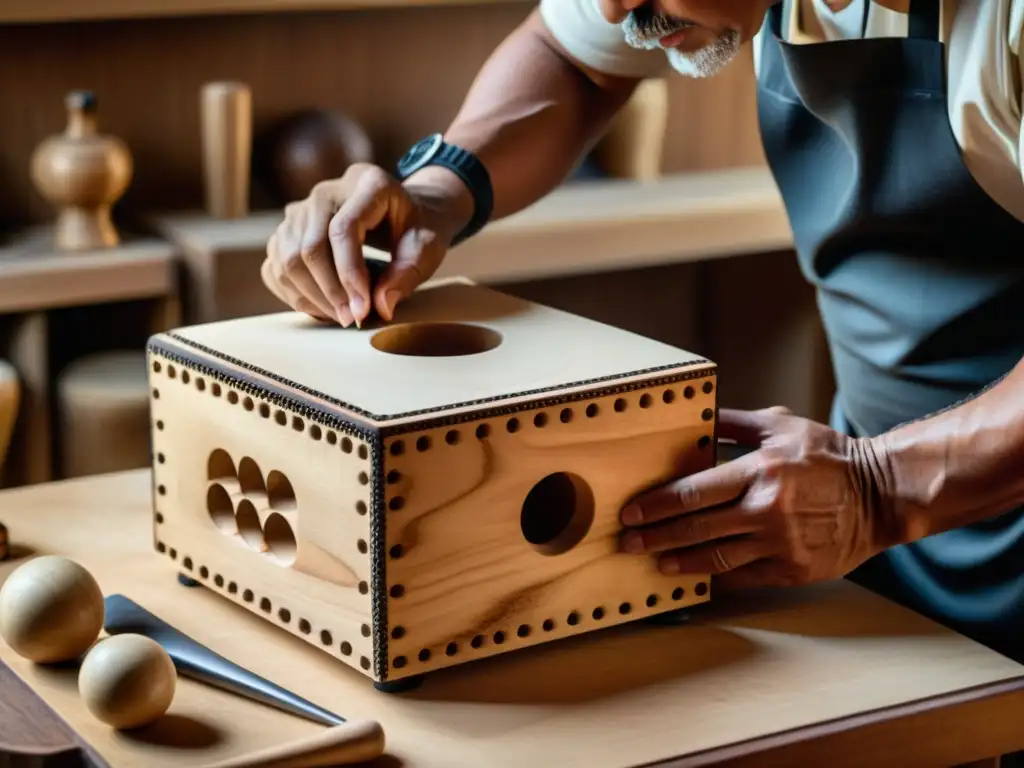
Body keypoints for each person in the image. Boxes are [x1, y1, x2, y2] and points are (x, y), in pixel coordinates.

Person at [262, 0, 1024, 666]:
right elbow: (573, 60)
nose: (611, 9)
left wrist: (879, 487)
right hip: (885, 525)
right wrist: (435, 190)